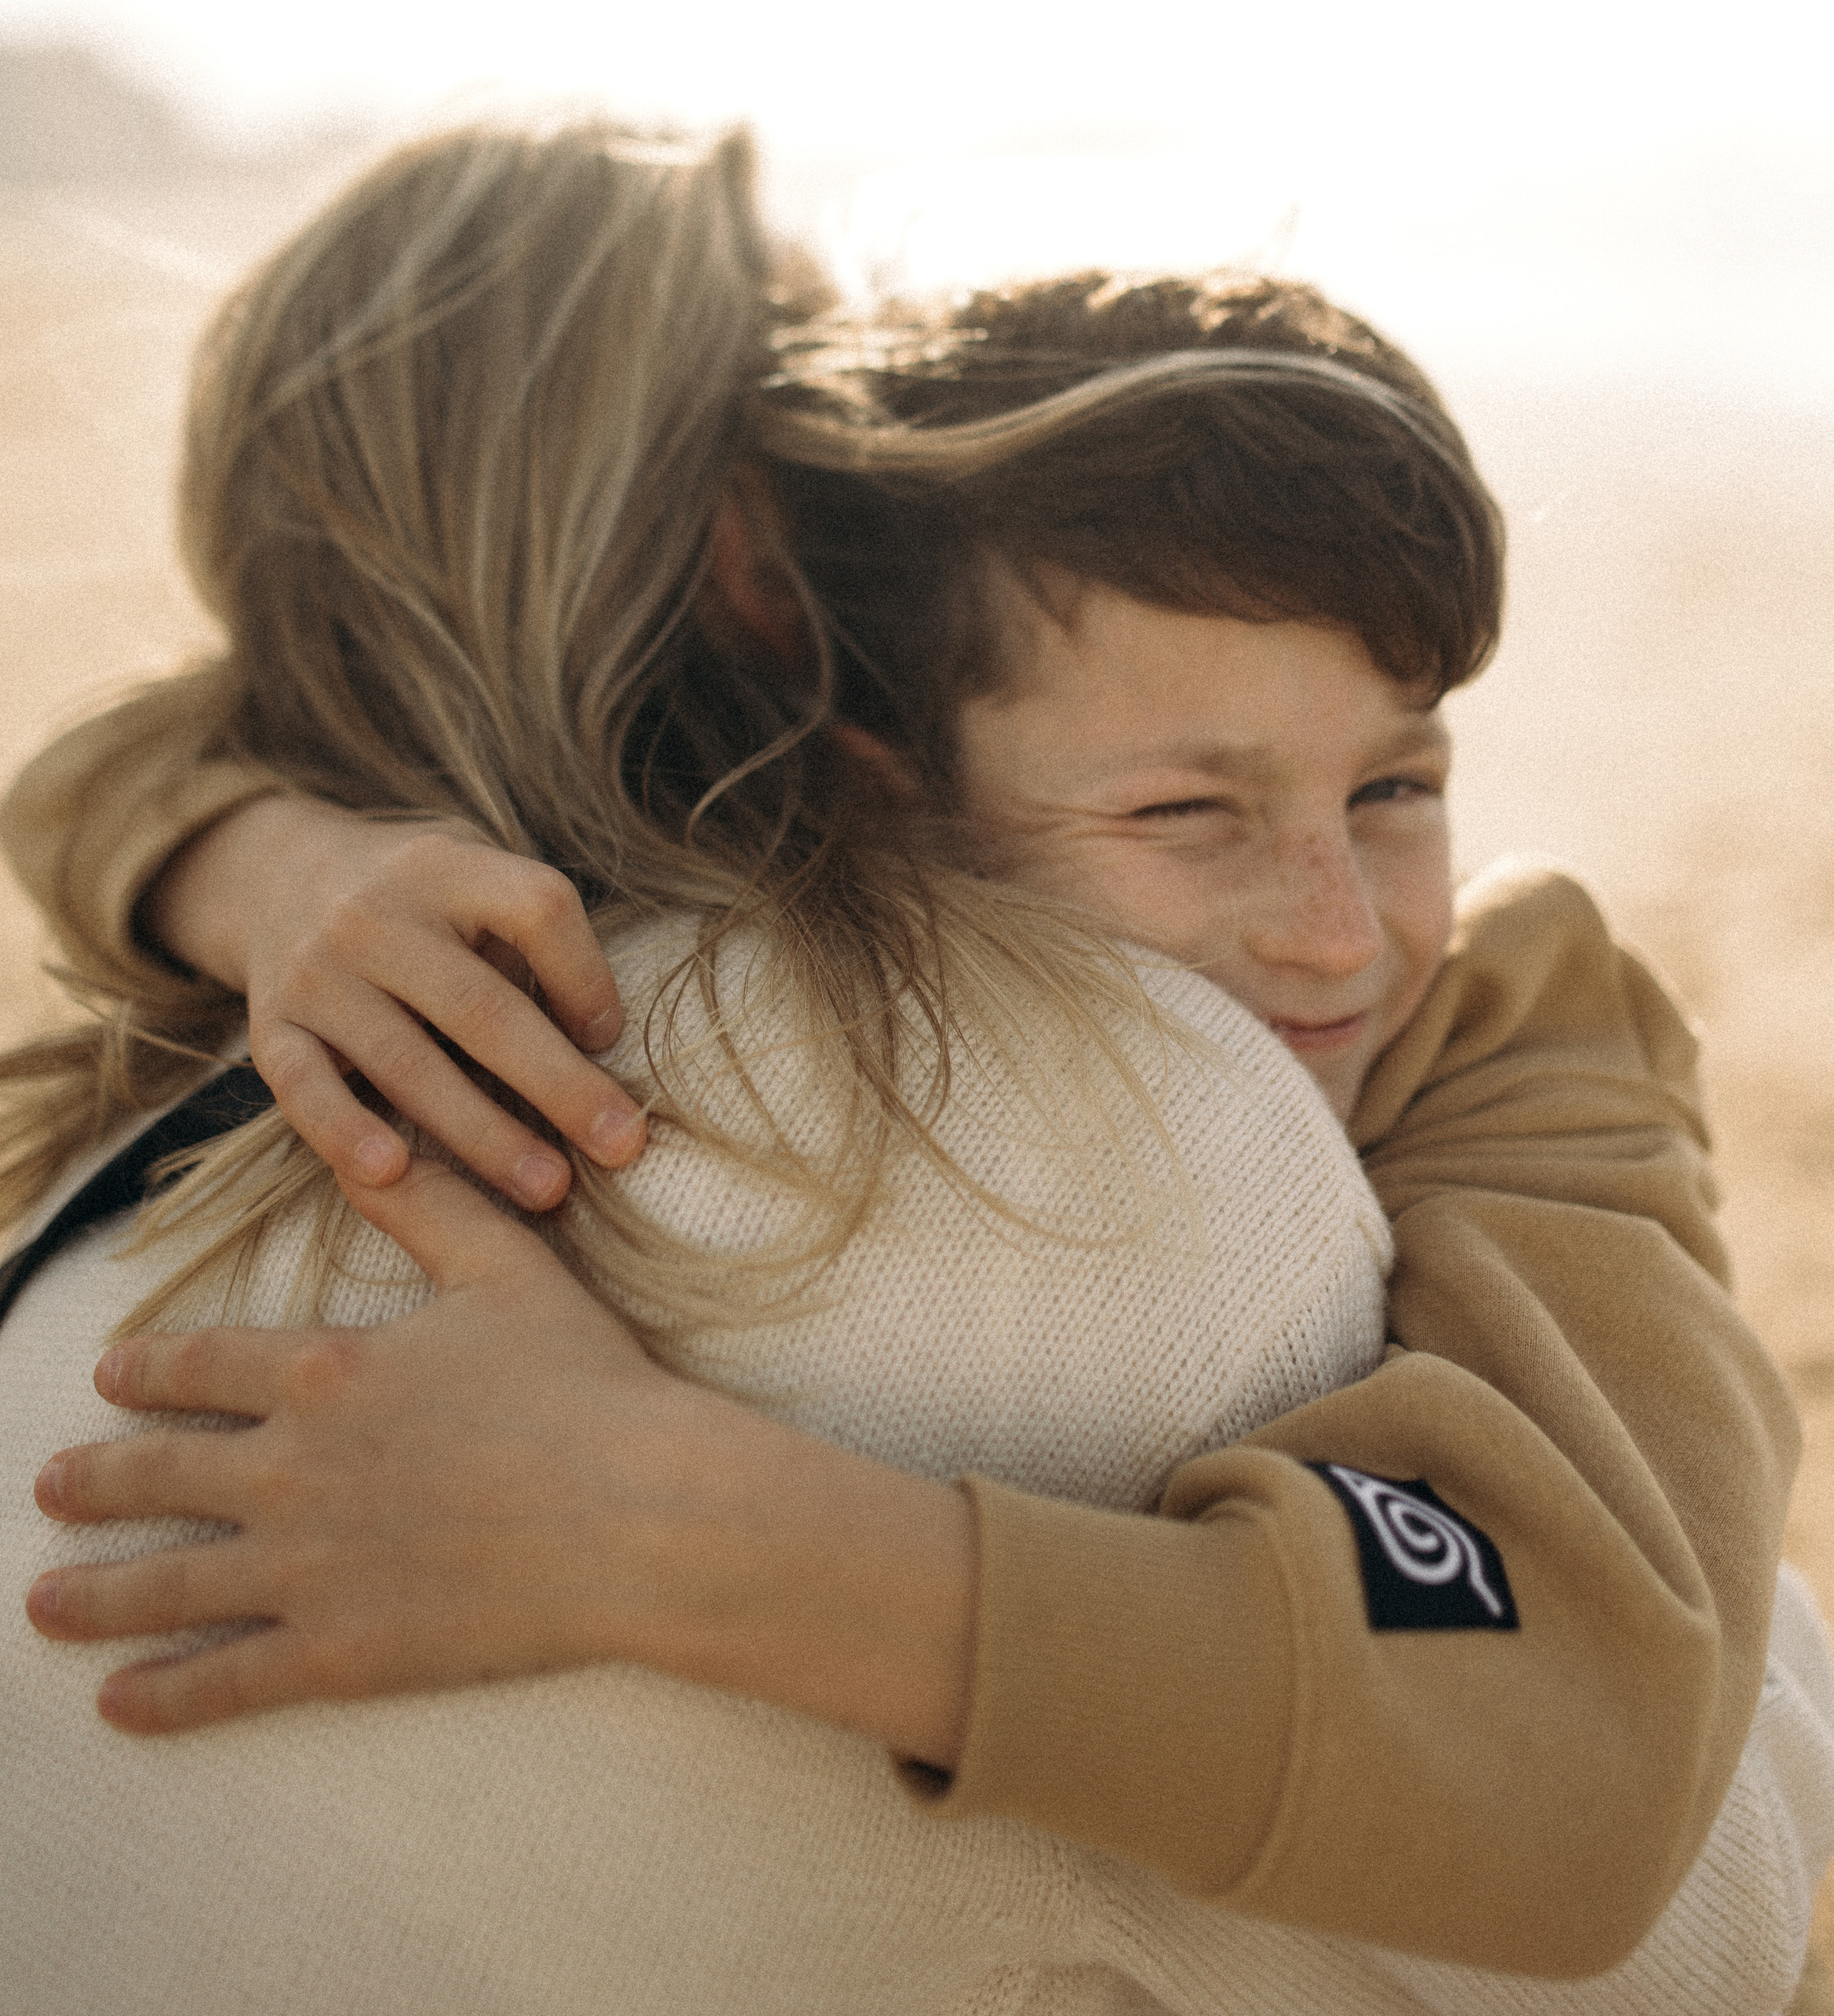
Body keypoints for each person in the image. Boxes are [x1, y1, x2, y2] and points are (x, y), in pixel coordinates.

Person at [0, 120, 1825, 2007]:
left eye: (1394, 788)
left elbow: (113, 753)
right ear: (771, 583)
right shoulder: (1108, 1162)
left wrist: (239, 853)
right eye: (1188, 805)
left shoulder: (167, 1108)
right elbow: (1685, 1918)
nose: (1339, 931)